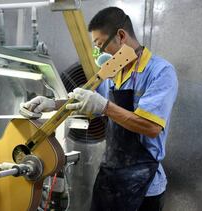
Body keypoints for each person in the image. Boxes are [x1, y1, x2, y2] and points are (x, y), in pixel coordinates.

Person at [20, 7, 178, 211]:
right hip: (109, 177)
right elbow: (89, 104)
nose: (101, 53)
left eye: (102, 46)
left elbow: (151, 126)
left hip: (144, 186)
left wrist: (104, 106)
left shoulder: (160, 72)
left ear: (121, 36)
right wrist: (53, 104)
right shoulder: (114, 71)